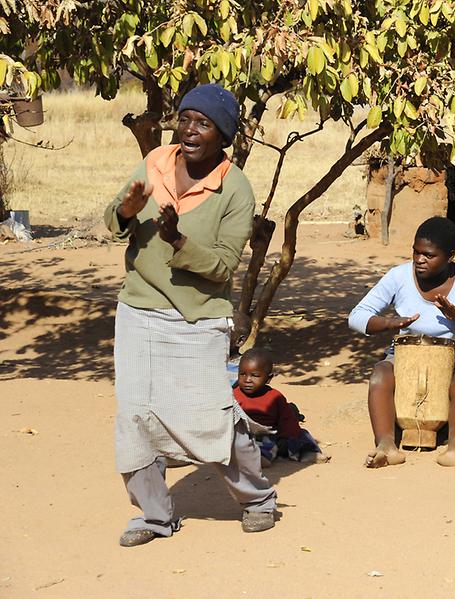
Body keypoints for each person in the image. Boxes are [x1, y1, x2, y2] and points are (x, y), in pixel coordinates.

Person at [105, 83, 277, 547]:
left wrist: (179, 241)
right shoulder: (156, 162)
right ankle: (155, 516)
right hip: (139, 307)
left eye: (203, 124)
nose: (189, 130)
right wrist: (124, 211)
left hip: (198, 317)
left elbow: (222, 264)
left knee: (212, 417)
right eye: (184, 119)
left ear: (223, 135)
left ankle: (257, 498)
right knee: (135, 416)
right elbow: (112, 218)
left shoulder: (235, 188)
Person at [348, 217, 455, 469]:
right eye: (416, 252)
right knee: (380, 374)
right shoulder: (398, 277)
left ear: (450, 256)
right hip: (401, 355)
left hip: (454, 356)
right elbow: (356, 317)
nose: (419, 259)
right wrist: (391, 323)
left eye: (429, 255)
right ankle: (386, 446)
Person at [233, 347, 329, 467]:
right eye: (242, 374)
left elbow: (287, 420)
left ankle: (308, 452)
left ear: (268, 378)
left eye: (254, 375)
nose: (247, 380)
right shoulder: (233, 395)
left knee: (302, 435)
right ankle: (258, 458)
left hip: (269, 435)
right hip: (242, 436)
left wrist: (287, 437)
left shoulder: (275, 397)